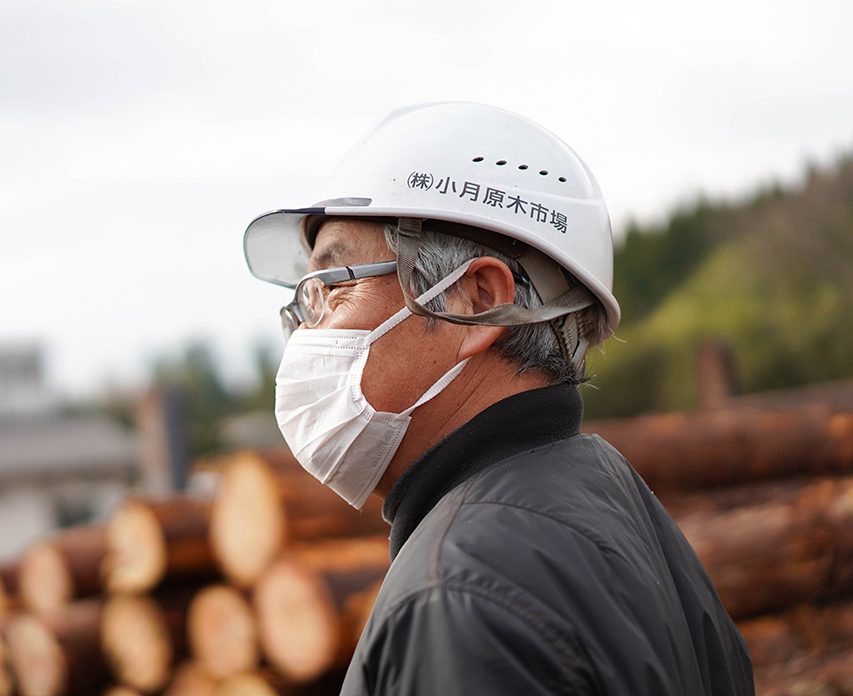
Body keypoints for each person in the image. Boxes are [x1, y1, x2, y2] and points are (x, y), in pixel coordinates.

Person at [242, 102, 754, 695]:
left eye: (332, 287)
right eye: (301, 306)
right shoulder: (609, 500)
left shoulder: (457, 595)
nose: (308, 334)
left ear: (474, 299)